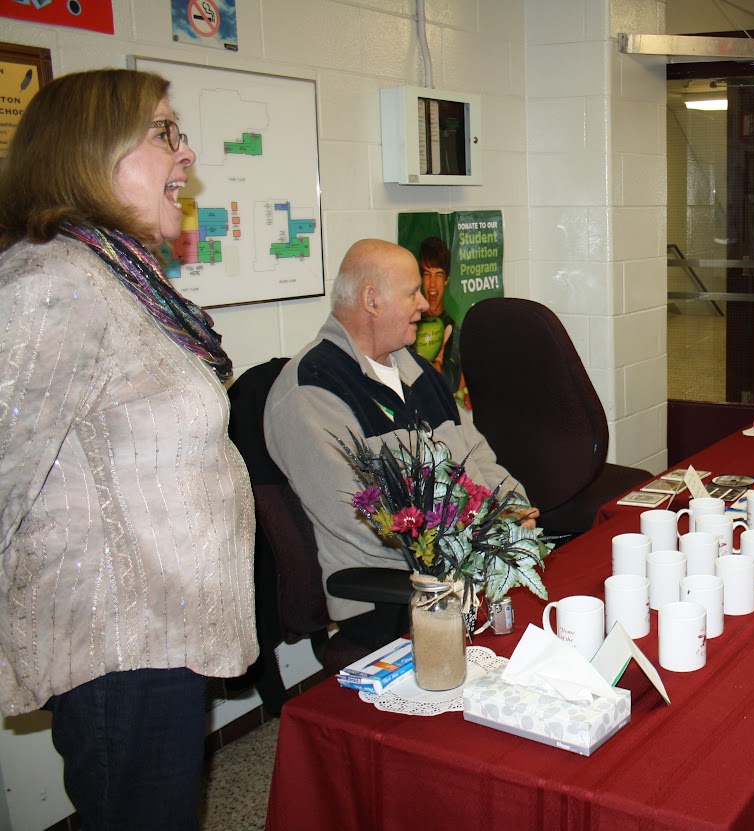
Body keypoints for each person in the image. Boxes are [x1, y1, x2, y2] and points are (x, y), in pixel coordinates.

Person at [0, 69, 257, 828]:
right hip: (118, 643)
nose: (187, 154)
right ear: (90, 150)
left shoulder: (118, 277)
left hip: (162, 632)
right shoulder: (52, 283)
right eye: (164, 132)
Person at [264, 238, 535, 649]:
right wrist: (481, 536)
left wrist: (511, 508)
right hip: (392, 596)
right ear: (371, 300)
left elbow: (475, 452)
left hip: (466, 563)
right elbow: (363, 519)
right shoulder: (312, 391)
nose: (425, 304)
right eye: (411, 293)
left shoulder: (417, 371)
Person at [414, 236, 462, 394]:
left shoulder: (452, 329)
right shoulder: (410, 324)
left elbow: (453, 384)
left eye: (439, 275)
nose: (432, 284)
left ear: (447, 279)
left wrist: (438, 365)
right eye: (427, 274)